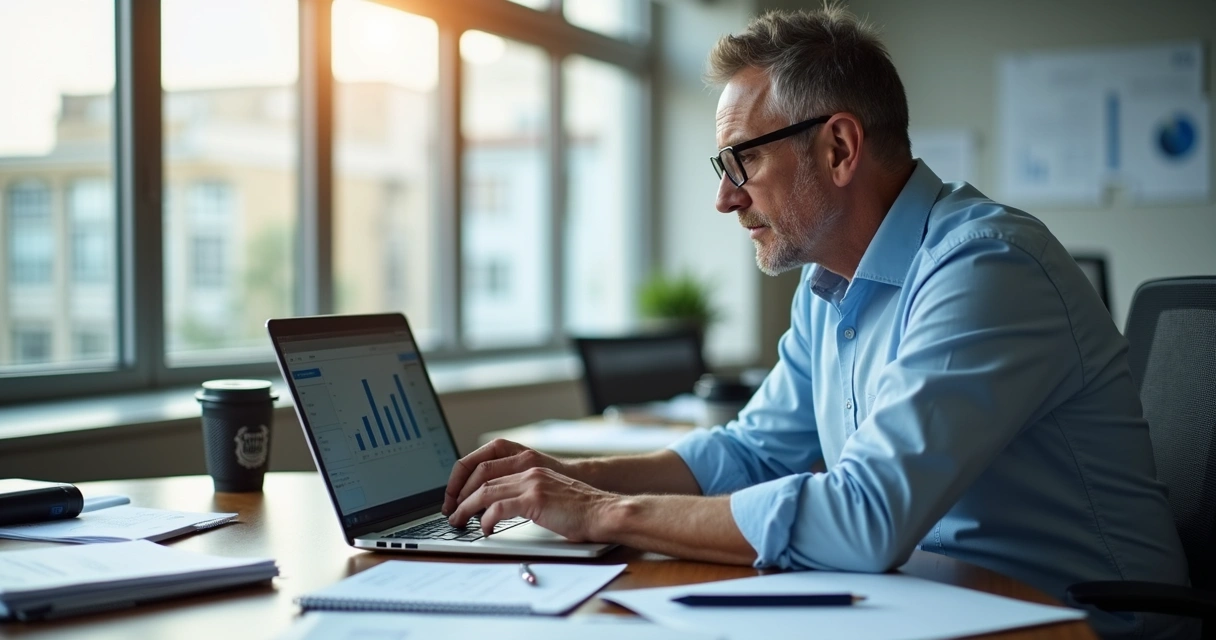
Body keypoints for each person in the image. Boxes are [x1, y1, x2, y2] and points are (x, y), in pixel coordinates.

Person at [444, 6, 1192, 638]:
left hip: (1080, 623)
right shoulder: (828, 284)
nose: (725, 198)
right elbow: (752, 453)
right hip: (936, 605)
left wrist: (608, 513)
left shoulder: (987, 266)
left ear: (838, 147)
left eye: (741, 161)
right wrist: (566, 477)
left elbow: (867, 517)